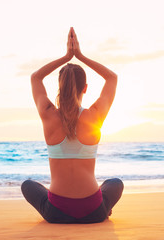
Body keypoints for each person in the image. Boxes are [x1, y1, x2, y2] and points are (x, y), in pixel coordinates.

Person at [21, 27, 123, 223]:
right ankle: (104, 209)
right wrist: (80, 56)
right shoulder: (94, 116)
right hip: (94, 212)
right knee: (114, 183)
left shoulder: (48, 114)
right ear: (85, 88)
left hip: (56, 213)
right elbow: (112, 78)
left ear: (59, 87)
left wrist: (66, 57)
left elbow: (35, 78)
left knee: (28, 185)